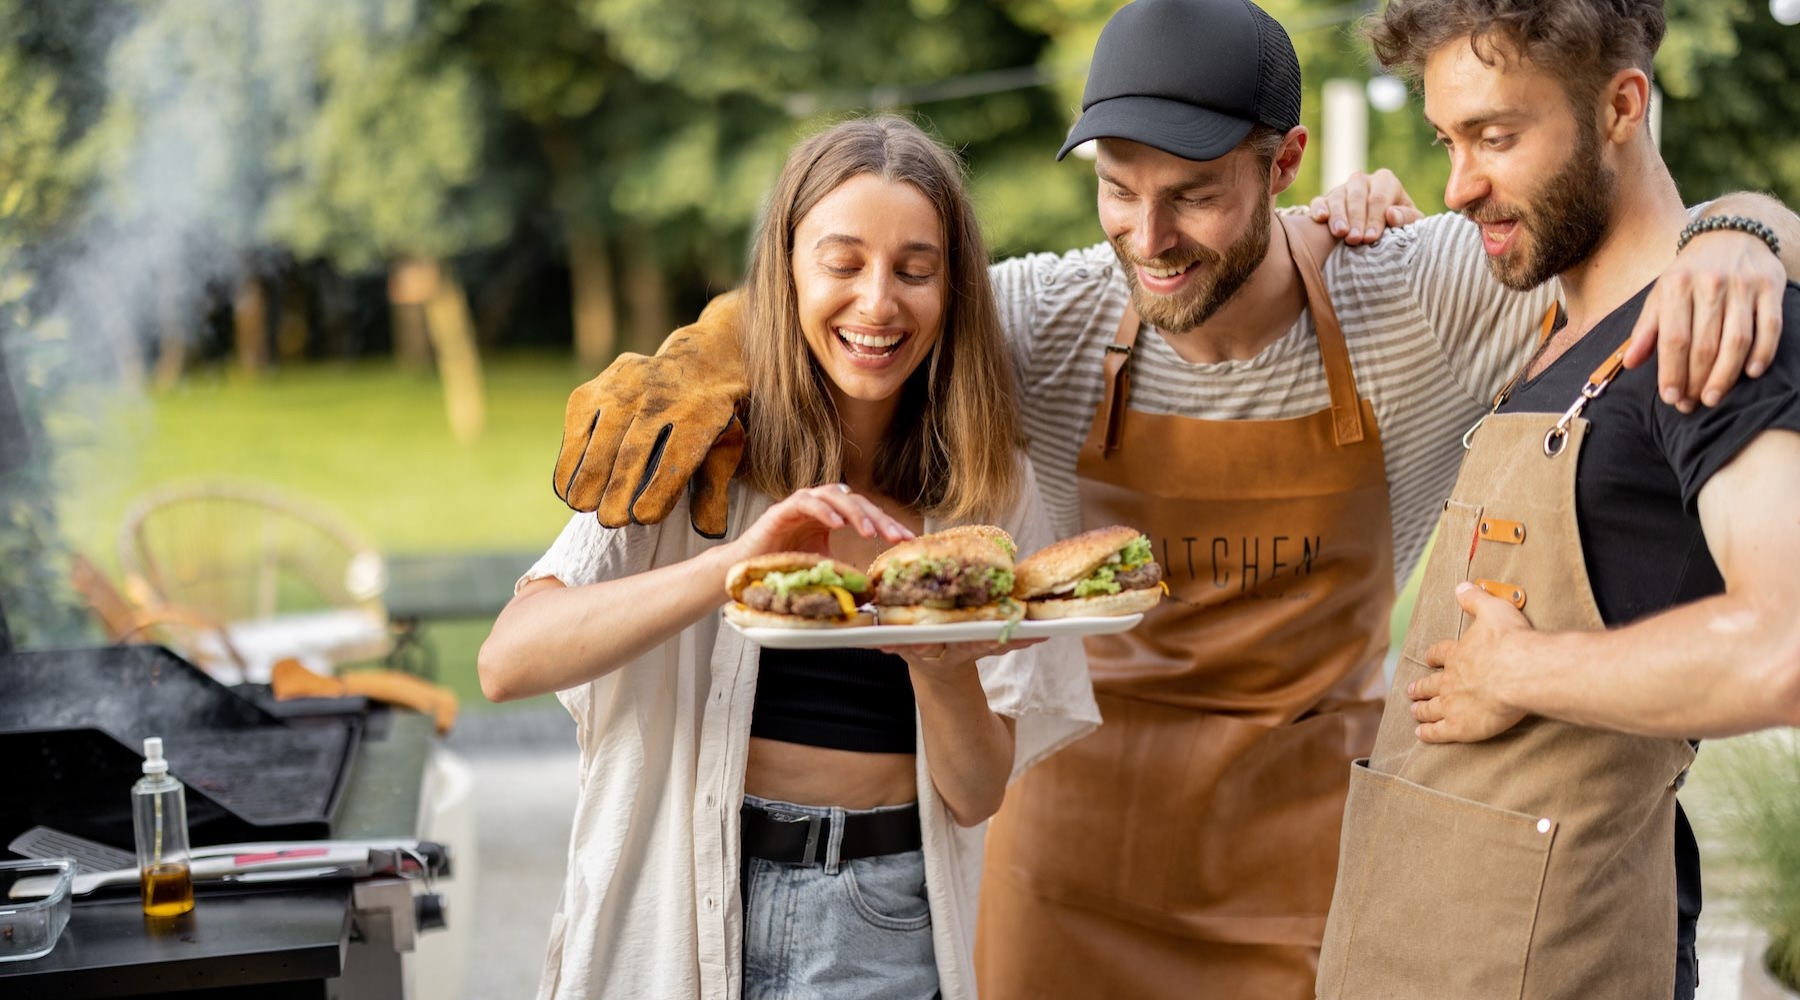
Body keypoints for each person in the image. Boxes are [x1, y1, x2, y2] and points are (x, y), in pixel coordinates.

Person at [547, 1, 1800, 995]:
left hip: (1302, 886)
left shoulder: (1426, 292)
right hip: (1066, 883)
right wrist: (719, 341)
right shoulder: (1049, 315)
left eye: (1196, 191)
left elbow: (1637, 233)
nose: (1149, 235)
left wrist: (1743, 234)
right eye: (1118, 187)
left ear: (1284, 163)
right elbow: (872, 297)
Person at [479, 115, 1099, 1000]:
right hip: (684, 903)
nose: (878, 303)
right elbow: (508, 660)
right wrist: (737, 564)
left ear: (953, 288)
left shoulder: (986, 494)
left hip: (883, 927)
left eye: (914, 270)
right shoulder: (701, 451)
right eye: (841, 264)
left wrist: (941, 668)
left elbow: (976, 793)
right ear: (787, 271)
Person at [1314, 3, 1800, 999]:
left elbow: (1783, 644)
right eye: (1449, 140)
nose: (1459, 185)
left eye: (1497, 135)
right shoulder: (1552, 334)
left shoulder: (1710, 329)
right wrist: (1752, 216)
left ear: (1623, 105)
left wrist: (1523, 668)